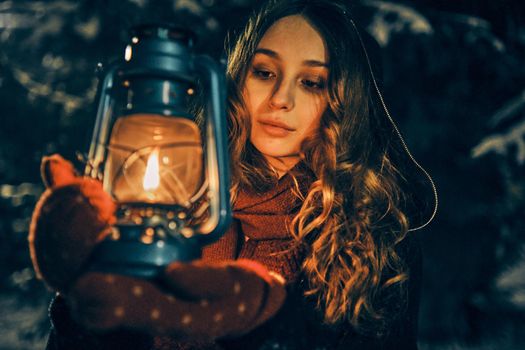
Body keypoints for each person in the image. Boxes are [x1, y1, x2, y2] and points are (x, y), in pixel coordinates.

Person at [29, 0, 430, 349]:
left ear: (344, 100)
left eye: (311, 82)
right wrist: (81, 301)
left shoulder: (373, 239)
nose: (280, 100)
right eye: (265, 72)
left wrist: (262, 326)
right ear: (237, 79)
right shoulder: (170, 200)